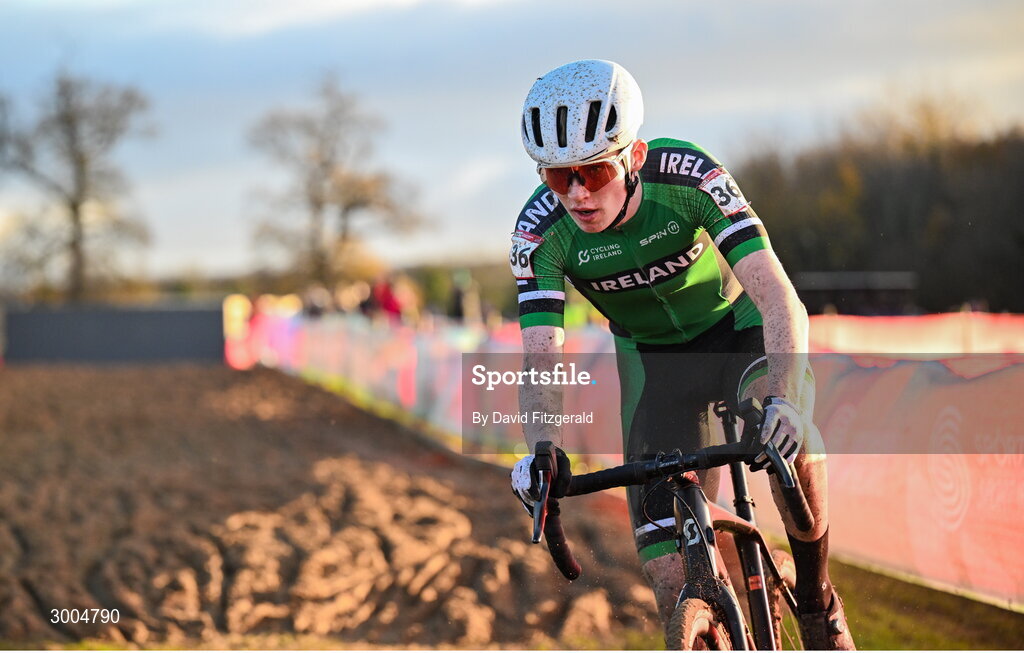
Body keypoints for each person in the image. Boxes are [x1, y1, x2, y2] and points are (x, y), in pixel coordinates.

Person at [507, 59, 855, 650]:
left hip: (735, 334)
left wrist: (787, 400)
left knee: (790, 443)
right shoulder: (538, 234)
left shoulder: (689, 177)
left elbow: (777, 298)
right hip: (655, 368)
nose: (575, 193)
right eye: (556, 176)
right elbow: (542, 356)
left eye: (591, 171)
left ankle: (818, 600)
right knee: (670, 577)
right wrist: (541, 448)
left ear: (634, 157)